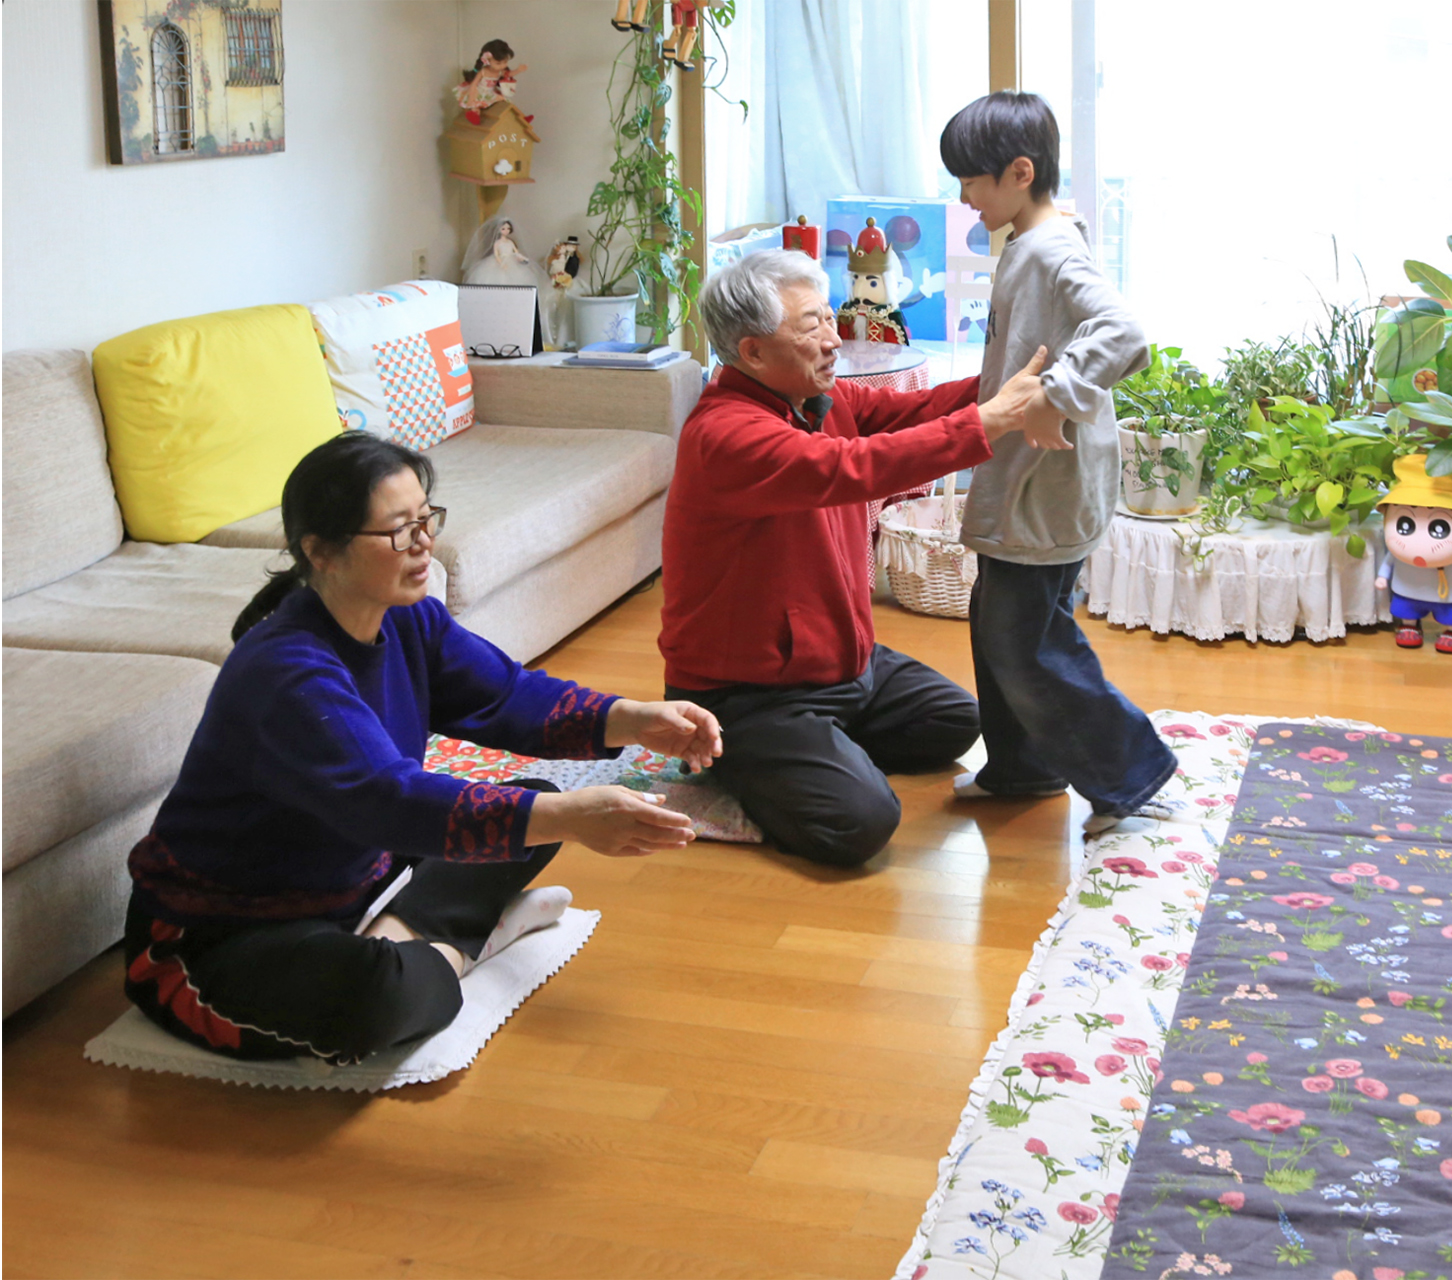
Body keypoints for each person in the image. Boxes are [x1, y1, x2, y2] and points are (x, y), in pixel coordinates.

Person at [123, 432, 722, 1066]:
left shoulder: (407, 616)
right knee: (380, 995)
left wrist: (635, 719)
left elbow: (507, 695)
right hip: (221, 935)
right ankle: (451, 947)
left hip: (359, 883)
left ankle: (404, 934)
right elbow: (388, 798)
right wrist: (572, 819)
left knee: (535, 807)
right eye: (397, 531)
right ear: (320, 551)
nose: (423, 543)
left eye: (425, 519)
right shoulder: (285, 673)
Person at [659, 250, 1054, 868]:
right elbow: (854, 467)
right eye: (811, 326)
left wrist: (1008, 382)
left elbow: (916, 413)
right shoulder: (726, 435)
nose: (833, 339)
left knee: (957, 722)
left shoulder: (817, 399)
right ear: (752, 352)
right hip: (747, 692)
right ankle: (734, 760)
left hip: (841, 663)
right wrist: (990, 422)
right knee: (861, 824)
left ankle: (812, 753)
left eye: (827, 317)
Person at [938, 91, 1176, 835]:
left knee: (1026, 642)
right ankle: (1023, 767)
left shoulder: (1050, 249)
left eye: (971, 182)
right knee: (1002, 625)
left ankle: (1132, 774)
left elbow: (1123, 331)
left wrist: (1056, 395)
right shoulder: (1030, 242)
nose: (965, 198)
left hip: (1046, 480)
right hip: (1029, 476)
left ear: (1019, 172)